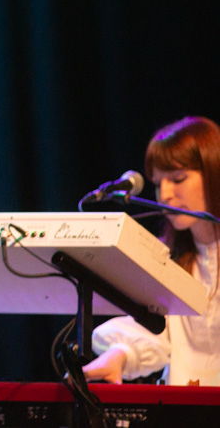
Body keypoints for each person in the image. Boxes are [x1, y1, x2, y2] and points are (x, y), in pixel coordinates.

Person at [83, 116, 220, 386]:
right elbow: (158, 330)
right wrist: (120, 355)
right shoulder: (168, 258)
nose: (165, 195)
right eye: (158, 183)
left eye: (178, 179)